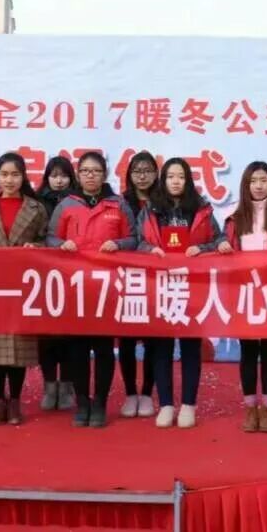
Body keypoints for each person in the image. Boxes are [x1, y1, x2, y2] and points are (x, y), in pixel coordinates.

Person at [47, 151, 137, 428]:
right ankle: (82, 402)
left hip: (107, 288)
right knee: (77, 350)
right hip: (75, 288)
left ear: (104, 174)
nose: (90, 176)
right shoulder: (66, 205)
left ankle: (99, 402)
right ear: (78, 174)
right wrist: (61, 245)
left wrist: (119, 244)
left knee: (104, 349)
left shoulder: (118, 204)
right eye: (85, 171)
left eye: (96, 171)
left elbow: (134, 238)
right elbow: (50, 238)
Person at [137, 157, 224, 429]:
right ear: (163, 180)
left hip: (192, 285)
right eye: (171, 176)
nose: (176, 181)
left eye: (181, 177)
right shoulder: (151, 209)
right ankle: (165, 404)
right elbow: (137, 241)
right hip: (160, 285)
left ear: (188, 180)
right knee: (161, 346)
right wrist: (150, 250)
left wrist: (203, 248)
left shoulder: (201, 209)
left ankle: (188, 404)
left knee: (190, 346)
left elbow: (219, 239)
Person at [219, 162, 267, 433]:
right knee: (248, 353)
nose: (259, 185)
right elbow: (221, 241)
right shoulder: (233, 215)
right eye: (253, 181)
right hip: (244, 293)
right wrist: (221, 244)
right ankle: (250, 408)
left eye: (264, 180)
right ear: (246, 184)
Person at [0, 153, 48, 426]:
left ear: (23, 177)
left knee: (19, 349)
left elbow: (46, 241)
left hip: (22, 287)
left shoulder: (36, 209)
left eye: (15, 174)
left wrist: (35, 247)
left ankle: (15, 400)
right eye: (4, 174)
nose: (9, 180)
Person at [119, 151, 159, 418]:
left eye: (147, 171)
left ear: (156, 174)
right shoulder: (119, 203)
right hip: (125, 278)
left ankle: (146, 393)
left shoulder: (163, 202)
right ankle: (130, 393)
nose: (142, 176)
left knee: (154, 339)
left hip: (155, 279)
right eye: (137, 171)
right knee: (127, 339)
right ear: (129, 175)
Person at [36, 156, 77, 411]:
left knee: (70, 334)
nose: (59, 180)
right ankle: (50, 385)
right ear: (47, 178)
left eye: (64, 175)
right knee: (46, 336)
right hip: (43, 276)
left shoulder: (78, 202)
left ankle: (67, 386)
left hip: (73, 275)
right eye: (54, 175)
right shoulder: (36, 202)